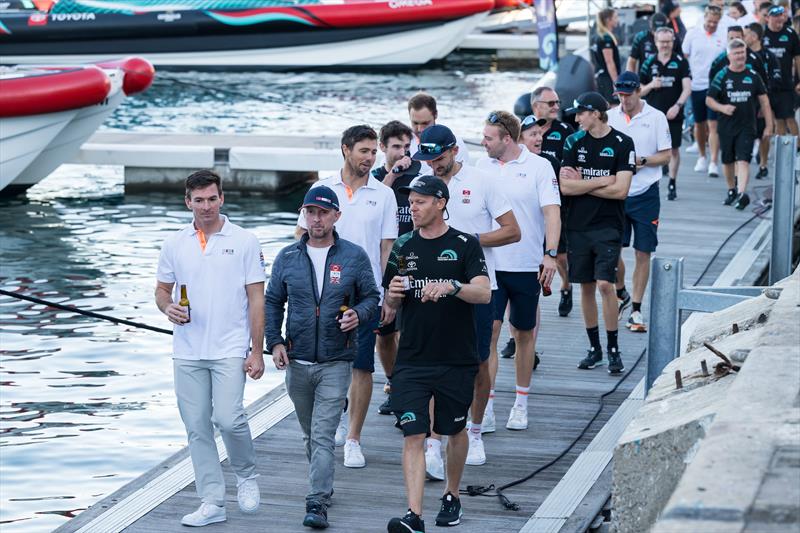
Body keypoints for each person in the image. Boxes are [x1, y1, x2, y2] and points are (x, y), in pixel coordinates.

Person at [155, 169, 264, 527]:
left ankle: (247, 475)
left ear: (222, 198)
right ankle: (212, 501)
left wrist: (256, 350)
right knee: (197, 427)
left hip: (230, 346)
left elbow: (256, 299)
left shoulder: (245, 240)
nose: (206, 206)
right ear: (187, 201)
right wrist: (167, 307)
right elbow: (161, 290)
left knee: (229, 419)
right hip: (187, 350)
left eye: (212, 198)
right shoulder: (174, 243)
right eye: (198, 200)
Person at [267, 186, 380, 529]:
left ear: (336, 216)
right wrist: (274, 342)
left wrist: (357, 315)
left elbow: (372, 297)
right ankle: (324, 483)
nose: (316, 219)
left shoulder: (354, 256)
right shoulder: (287, 257)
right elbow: (273, 302)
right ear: (304, 214)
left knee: (322, 434)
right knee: (309, 433)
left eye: (323, 212)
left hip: (336, 360)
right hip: (298, 360)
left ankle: (316, 501)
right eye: (311, 212)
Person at [383, 175, 491, 533]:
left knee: (452, 430)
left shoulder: (464, 245)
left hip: (456, 355)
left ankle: (452, 494)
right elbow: (389, 302)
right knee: (414, 434)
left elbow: (484, 293)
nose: (412, 207)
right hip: (412, 357)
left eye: (420, 201)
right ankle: (414, 515)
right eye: (410, 202)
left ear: (441, 202)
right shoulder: (402, 246)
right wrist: (394, 295)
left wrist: (453, 286)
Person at [410, 123, 519, 470]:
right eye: (427, 159)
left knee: (478, 362)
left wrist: (469, 242)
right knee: (431, 362)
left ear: (455, 151)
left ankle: (474, 430)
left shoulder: (483, 180)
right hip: (430, 287)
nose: (432, 166)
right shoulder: (423, 185)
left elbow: (512, 231)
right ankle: (432, 442)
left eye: (438, 158)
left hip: (476, 287)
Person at [295, 125, 398, 469]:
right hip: (323, 291)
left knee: (362, 364)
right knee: (326, 361)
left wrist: (386, 296)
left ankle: (354, 437)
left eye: (373, 152)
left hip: (365, 292)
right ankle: (337, 416)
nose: (370, 158)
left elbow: (387, 247)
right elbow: (302, 236)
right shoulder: (321, 188)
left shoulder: (383, 194)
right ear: (346, 149)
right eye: (364, 151)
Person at [476, 111, 561, 433]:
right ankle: (488, 407)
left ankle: (521, 403)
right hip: (490, 265)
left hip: (526, 265)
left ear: (506, 139)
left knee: (524, 334)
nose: (483, 142)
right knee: (491, 334)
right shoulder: (481, 166)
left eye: (488, 138)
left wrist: (550, 254)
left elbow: (552, 213)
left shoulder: (539, 167)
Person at [560, 92, 636, 375]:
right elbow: (565, 187)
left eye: (581, 113)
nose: (577, 118)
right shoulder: (573, 142)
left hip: (608, 225)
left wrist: (586, 182)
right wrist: (605, 179)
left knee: (606, 285)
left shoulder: (622, 143)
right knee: (587, 287)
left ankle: (614, 348)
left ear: (596, 113)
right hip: (577, 225)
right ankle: (595, 349)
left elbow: (622, 191)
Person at [608, 72, 672, 334]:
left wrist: (642, 161)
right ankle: (621, 290)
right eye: (620, 95)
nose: (624, 100)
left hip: (645, 192)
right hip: (616, 193)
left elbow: (666, 155)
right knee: (612, 251)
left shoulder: (656, 117)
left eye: (628, 94)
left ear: (638, 91)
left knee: (643, 251)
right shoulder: (610, 117)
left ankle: (635, 307)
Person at [372, 120, 422, 416]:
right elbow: (373, 204)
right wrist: (393, 174)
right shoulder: (379, 178)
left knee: (409, 331)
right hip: (385, 263)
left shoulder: (419, 175)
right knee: (385, 333)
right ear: (383, 148)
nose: (403, 152)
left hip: (414, 262)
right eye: (396, 147)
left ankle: (407, 387)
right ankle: (392, 383)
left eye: (407, 146)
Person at [707, 38, 774, 210]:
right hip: (727, 125)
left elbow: (765, 102)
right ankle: (731, 190)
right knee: (728, 161)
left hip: (747, 126)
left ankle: (742, 194)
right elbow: (709, 100)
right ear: (729, 55)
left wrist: (769, 125)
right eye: (736, 53)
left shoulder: (753, 76)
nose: (740, 57)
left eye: (742, 53)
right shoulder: (722, 75)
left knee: (743, 160)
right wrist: (722, 107)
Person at [530, 86, 575, 318]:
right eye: (551, 103)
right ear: (536, 106)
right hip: (529, 202)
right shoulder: (524, 129)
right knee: (533, 257)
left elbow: (573, 166)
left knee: (561, 256)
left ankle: (566, 286)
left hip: (558, 201)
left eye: (558, 102)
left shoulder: (566, 130)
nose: (557, 107)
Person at [640, 27, 692, 200]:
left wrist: (678, 105)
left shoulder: (681, 61)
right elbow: (639, 91)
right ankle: (651, 182)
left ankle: (672, 182)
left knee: (674, 149)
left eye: (668, 42)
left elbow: (687, 89)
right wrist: (650, 85)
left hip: (673, 113)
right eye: (662, 42)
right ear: (656, 42)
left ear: (673, 42)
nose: (665, 45)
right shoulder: (649, 63)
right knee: (652, 149)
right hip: (652, 114)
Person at [683, 4, 726, 177]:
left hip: (715, 86)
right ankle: (702, 156)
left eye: (715, 22)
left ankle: (714, 161)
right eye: (709, 21)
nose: (711, 25)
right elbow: (685, 56)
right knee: (699, 124)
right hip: (697, 85)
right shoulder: (693, 33)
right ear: (704, 18)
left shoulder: (722, 34)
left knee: (713, 124)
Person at [743, 22, 782, 179]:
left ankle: (763, 164)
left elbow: (776, 79)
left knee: (764, 134)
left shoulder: (768, 56)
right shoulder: (741, 55)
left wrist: (765, 102)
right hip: (745, 104)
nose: (743, 38)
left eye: (746, 35)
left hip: (764, 102)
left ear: (754, 36)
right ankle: (744, 164)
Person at [763, 6, 800, 137]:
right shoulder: (762, 34)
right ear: (767, 18)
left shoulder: (790, 33)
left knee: (789, 117)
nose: (779, 18)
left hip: (786, 83)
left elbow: (797, 59)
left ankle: (798, 149)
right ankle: (782, 150)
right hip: (768, 84)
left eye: (781, 15)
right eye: (775, 15)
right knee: (778, 119)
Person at [407, 92, 470, 164]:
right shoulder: (403, 145)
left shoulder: (454, 143)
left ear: (435, 115)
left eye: (425, 123)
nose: (420, 129)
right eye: (415, 123)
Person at [592, 8, 622, 105]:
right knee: (613, 107)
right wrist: (616, 82)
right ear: (608, 20)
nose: (617, 20)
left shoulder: (599, 36)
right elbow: (609, 62)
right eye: (615, 17)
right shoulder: (606, 38)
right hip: (607, 79)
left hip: (602, 78)